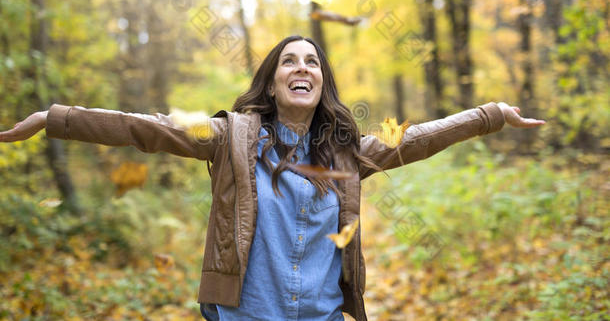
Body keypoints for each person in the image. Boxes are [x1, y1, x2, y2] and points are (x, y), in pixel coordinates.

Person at [0, 35, 545, 320]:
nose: (302, 67)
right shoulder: (231, 136)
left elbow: (418, 139)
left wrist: (491, 113)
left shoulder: (344, 154)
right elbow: (147, 129)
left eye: (313, 61)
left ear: (323, 82)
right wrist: (55, 118)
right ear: (272, 80)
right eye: (289, 61)